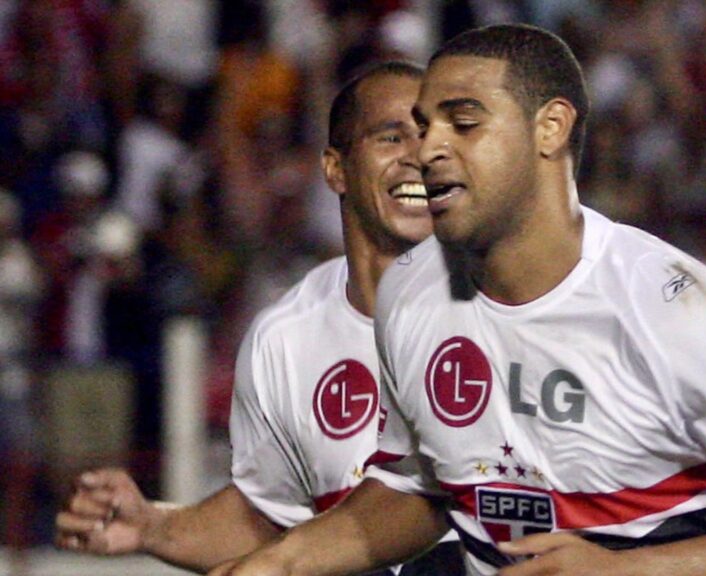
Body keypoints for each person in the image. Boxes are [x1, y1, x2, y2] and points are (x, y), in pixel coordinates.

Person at [211, 24, 706, 576]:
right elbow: (422, 485)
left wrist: (627, 573)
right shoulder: (413, 291)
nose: (428, 149)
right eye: (421, 126)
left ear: (550, 128)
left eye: (463, 123)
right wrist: (280, 565)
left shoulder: (666, 306)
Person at [53, 61, 463, 576]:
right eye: (391, 136)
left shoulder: (509, 303)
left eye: (431, 137)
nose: (419, 157)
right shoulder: (288, 336)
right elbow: (272, 519)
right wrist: (155, 527)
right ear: (335, 168)